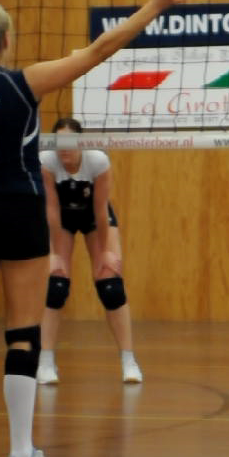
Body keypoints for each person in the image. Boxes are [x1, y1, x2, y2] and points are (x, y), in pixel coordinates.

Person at [0, 0, 187, 457]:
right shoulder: (24, 83)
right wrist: (154, 7)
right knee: (23, 334)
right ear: (6, 39)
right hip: (19, 211)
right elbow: (100, 49)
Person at [37, 118, 141, 386]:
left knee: (111, 286)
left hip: (94, 218)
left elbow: (100, 208)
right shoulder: (47, 161)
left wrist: (105, 250)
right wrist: (52, 253)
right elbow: (50, 209)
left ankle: (128, 361)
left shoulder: (97, 160)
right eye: (59, 142)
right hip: (62, 219)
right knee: (56, 285)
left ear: (81, 142)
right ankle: (46, 362)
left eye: (70, 141)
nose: (64, 148)